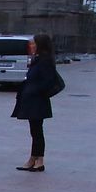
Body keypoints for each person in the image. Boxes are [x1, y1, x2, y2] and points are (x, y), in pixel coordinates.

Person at [11, 33, 61, 172]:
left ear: (40, 46)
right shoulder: (37, 60)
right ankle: (33, 158)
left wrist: (34, 90)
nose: (31, 46)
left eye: (33, 44)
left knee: (37, 131)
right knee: (34, 130)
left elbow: (48, 81)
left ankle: (39, 160)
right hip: (31, 100)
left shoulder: (45, 61)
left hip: (38, 102)